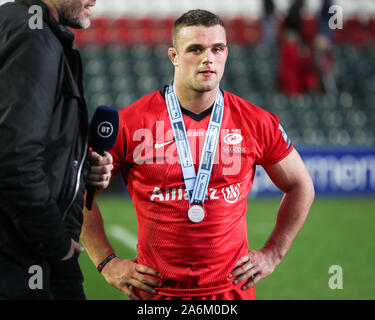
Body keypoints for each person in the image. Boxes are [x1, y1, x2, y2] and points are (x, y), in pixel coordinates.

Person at [81, 9, 315, 300]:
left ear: (226, 54)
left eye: (217, 49)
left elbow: (300, 185)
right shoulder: (131, 122)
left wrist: (273, 254)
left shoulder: (256, 121)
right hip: (157, 295)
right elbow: (79, 193)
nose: (208, 58)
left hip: (231, 293)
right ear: (173, 56)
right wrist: (106, 262)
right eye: (195, 49)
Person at [0, 0, 113, 300]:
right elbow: (14, 161)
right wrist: (59, 248)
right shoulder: (33, 33)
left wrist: (79, 170)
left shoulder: (25, 25)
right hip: (22, 258)